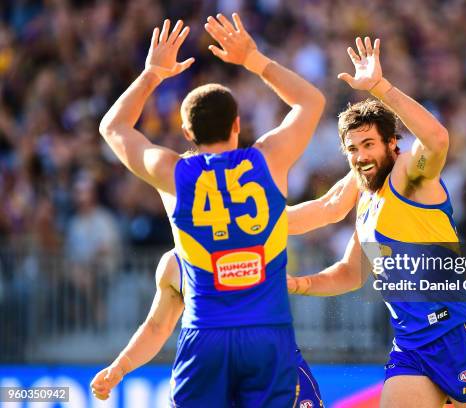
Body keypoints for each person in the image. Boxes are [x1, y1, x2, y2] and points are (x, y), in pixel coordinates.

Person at [91, 13, 325, 407]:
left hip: (205, 333)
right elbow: (311, 101)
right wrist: (254, 59)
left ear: (186, 133)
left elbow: (112, 128)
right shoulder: (269, 160)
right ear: (237, 125)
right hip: (268, 332)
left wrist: (152, 74)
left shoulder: (172, 173)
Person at [287, 37, 466, 407]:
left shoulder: (408, 174)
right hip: (410, 344)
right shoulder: (364, 197)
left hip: (455, 329)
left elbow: (437, 139)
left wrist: (379, 88)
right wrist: (295, 281)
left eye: (369, 144)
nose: (360, 156)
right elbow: (348, 269)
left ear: (392, 144)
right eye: (352, 149)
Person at [90, 251, 324, 407]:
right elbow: (157, 327)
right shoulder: (175, 263)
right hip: (214, 373)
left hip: (272, 368)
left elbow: (322, 210)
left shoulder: (253, 235)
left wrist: (356, 185)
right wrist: (120, 367)